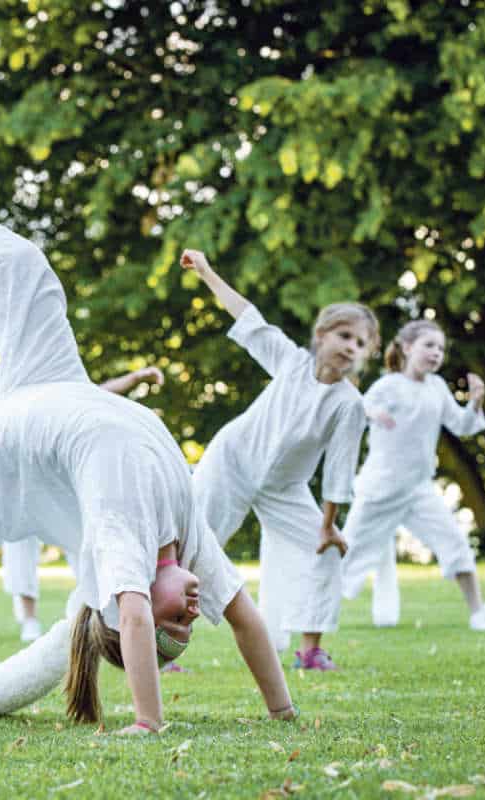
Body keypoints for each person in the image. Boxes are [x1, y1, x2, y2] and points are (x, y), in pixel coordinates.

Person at [0, 100, 294, 732]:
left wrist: (148, 723)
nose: (191, 611)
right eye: (189, 624)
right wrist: (282, 710)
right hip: (56, 386)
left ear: (120, 602)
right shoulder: (189, 542)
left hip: (18, 442)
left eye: (173, 622)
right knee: (23, 263)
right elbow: (245, 619)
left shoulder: (123, 545)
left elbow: (133, 615)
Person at [181, 249, 376, 671]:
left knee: (326, 551)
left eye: (361, 344)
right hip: (231, 464)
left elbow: (339, 471)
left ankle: (310, 651)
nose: (351, 347)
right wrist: (207, 272)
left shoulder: (349, 405)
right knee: (194, 548)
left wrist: (327, 525)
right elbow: (248, 319)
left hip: (284, 487)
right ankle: (163, 644)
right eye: (345, 336)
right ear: (321, 336)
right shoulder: (291, 361)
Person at [0, 290, 164, 642]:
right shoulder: (7, 387)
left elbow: (99, 393)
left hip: (59, 485)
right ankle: (29, 620)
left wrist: (134, 379)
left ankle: (101, 612)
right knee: (20, 546)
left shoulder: (61, 390)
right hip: (19, 485)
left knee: (86, 543)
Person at [340, 319, 485, 631]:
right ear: (407, 347)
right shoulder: (388, 385)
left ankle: (480, 614)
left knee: (456, 544)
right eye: (429, 345)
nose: (436, 353)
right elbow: (357, 408)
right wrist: (371, 412)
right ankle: (309, 615)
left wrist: (475, 402)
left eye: (440, 348)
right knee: (346, 556)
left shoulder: (437, 387)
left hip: (419, 490)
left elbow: (462, 425)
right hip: (380, 489)